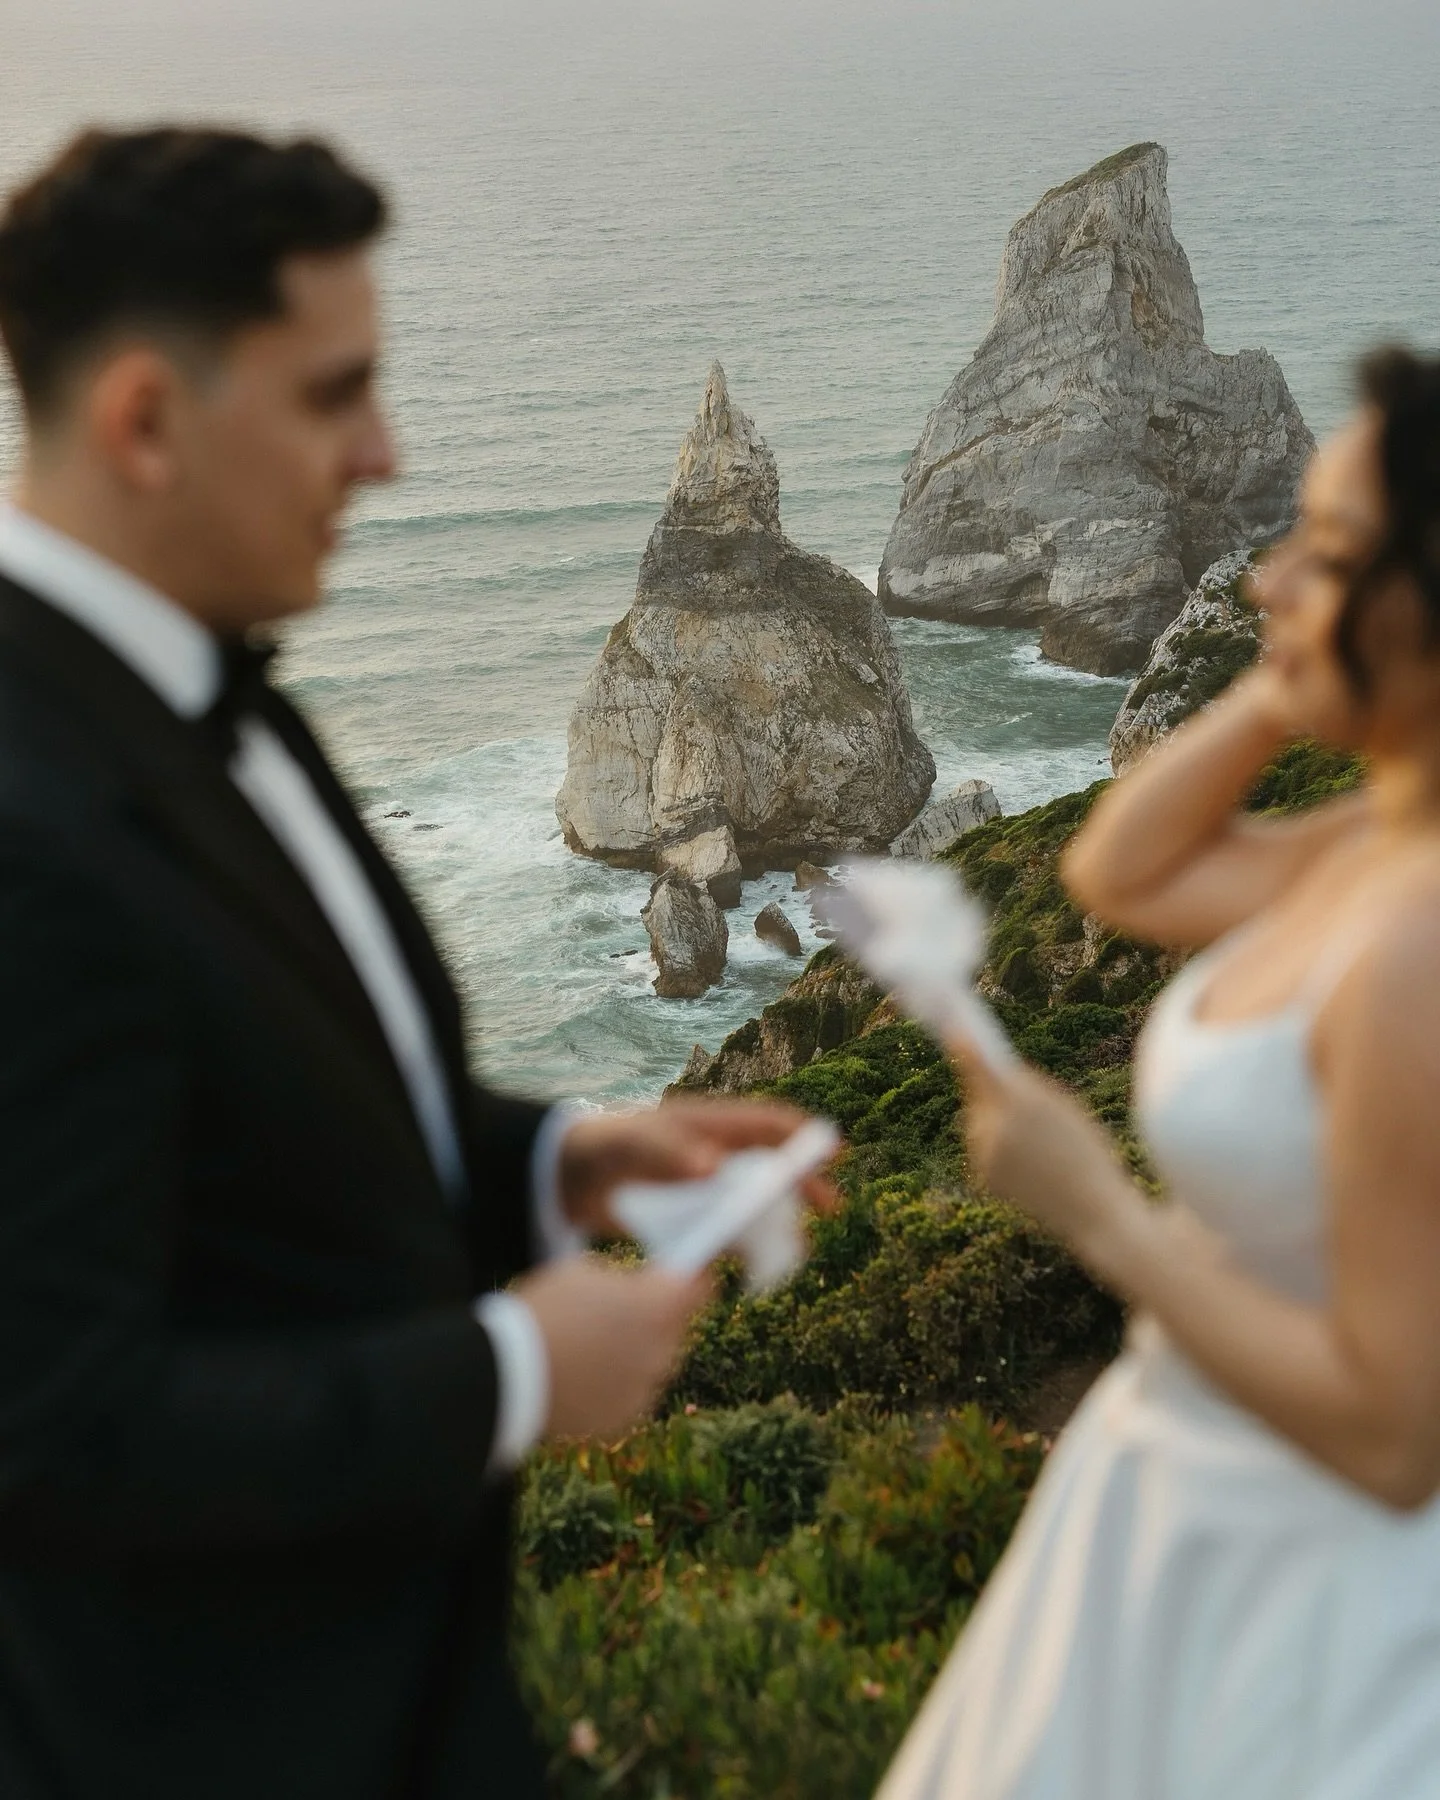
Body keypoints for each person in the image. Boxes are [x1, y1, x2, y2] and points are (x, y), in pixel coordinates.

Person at [0, 127, 830, 1800]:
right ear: (145, 419)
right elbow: (53, 1430)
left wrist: (555, 1152)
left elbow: (250, 1122)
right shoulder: (23, 815)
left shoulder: (212, 688)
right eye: (333, 395)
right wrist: (514, 1371)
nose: (385, 455)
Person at [880, 347, 1440, 1800]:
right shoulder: (1370, 839)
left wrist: (1101, 1218)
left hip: (1305, 1581)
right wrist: (1291, 672)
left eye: (1320, 547)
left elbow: (1398, 1435)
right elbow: (1120, 868)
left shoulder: (1418, 950)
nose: (1263, 578)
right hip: (1178, 1508)